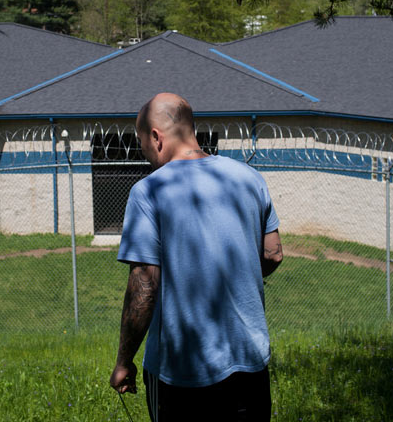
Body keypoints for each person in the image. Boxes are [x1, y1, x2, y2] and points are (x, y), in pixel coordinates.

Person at [109, 92, 283, 421]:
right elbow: (272, 254)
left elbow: (145, 281)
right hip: (250, 361)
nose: (143, 150)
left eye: (142, 142)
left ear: (156, 138)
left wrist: (124, 360)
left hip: (181, 373)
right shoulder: (248, 178)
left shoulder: (149, 192)